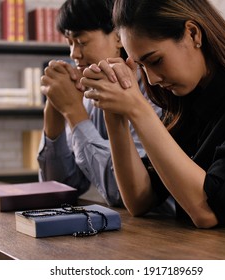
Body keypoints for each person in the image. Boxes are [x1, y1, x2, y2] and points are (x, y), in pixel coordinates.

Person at [81, 0, 225, 240]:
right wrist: (114, 111)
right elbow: (139, 200)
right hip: (205, 252)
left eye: (156, 60)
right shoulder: (184, 101)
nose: (150, 79)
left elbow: (208, 212)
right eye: (141, 65)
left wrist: (139, 109)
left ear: (193, 34)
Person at [37, 0, 170, 212]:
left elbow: (124, 193)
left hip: (166, 231)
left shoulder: (152, 89)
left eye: (81, 41)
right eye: (69, 42)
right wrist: (54, 111)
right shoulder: (90, 94)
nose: (73, 54)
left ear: (118, 36)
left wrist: (74, 113)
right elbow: (60, 190)